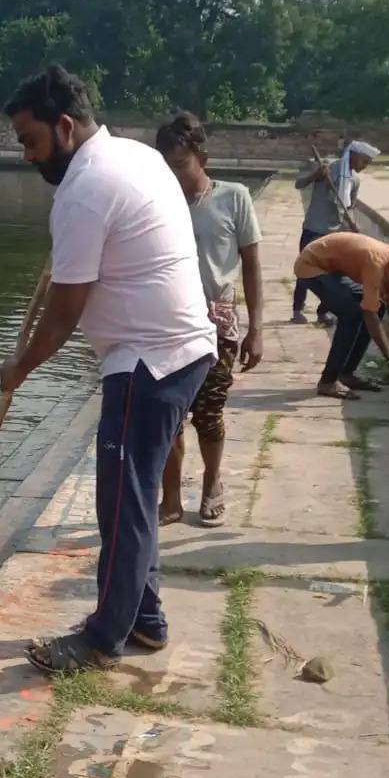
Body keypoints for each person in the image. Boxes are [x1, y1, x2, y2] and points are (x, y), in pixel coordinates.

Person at [0, 67, 215, 673]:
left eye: (30, 140)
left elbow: (65, 313)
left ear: (64, 126)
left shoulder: (86, 189)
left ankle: (103, 637)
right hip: (180, 349)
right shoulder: (132, 157)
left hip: (149, 358)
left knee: (121, 501)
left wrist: (18, 366)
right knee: (136, 495)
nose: (26, 155)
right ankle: (143, 620)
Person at [154, 112, 264, 527]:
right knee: (170, 416)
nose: (175, 174)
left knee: (209, 413)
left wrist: (257, 330)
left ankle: (212, 482)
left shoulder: (234, 197)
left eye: (181, 165)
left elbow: (251, 265)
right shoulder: (159, 202)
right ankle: (170, 498)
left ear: (203, 157)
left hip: (219, 327)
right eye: (167, 166)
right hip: (170, 326)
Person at [293, 233, 389, 399]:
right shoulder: (378, 263)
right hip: (311, 265)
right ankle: (328, 381)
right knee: (352, 314)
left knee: (379, 307)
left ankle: (346, 373)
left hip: (333, 270)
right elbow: (369, 313)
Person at [291, 139, 379, 325]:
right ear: (354, 155)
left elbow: (349, 208)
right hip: (313, 229)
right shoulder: (327, 168)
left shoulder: (354, 181)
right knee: (305, 271)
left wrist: (353, 226)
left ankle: (323, 312)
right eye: (364, 161)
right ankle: (297, 310)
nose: (364, 167)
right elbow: (299, 184)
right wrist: (315, 175)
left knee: (333, 276)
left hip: (334, 235)